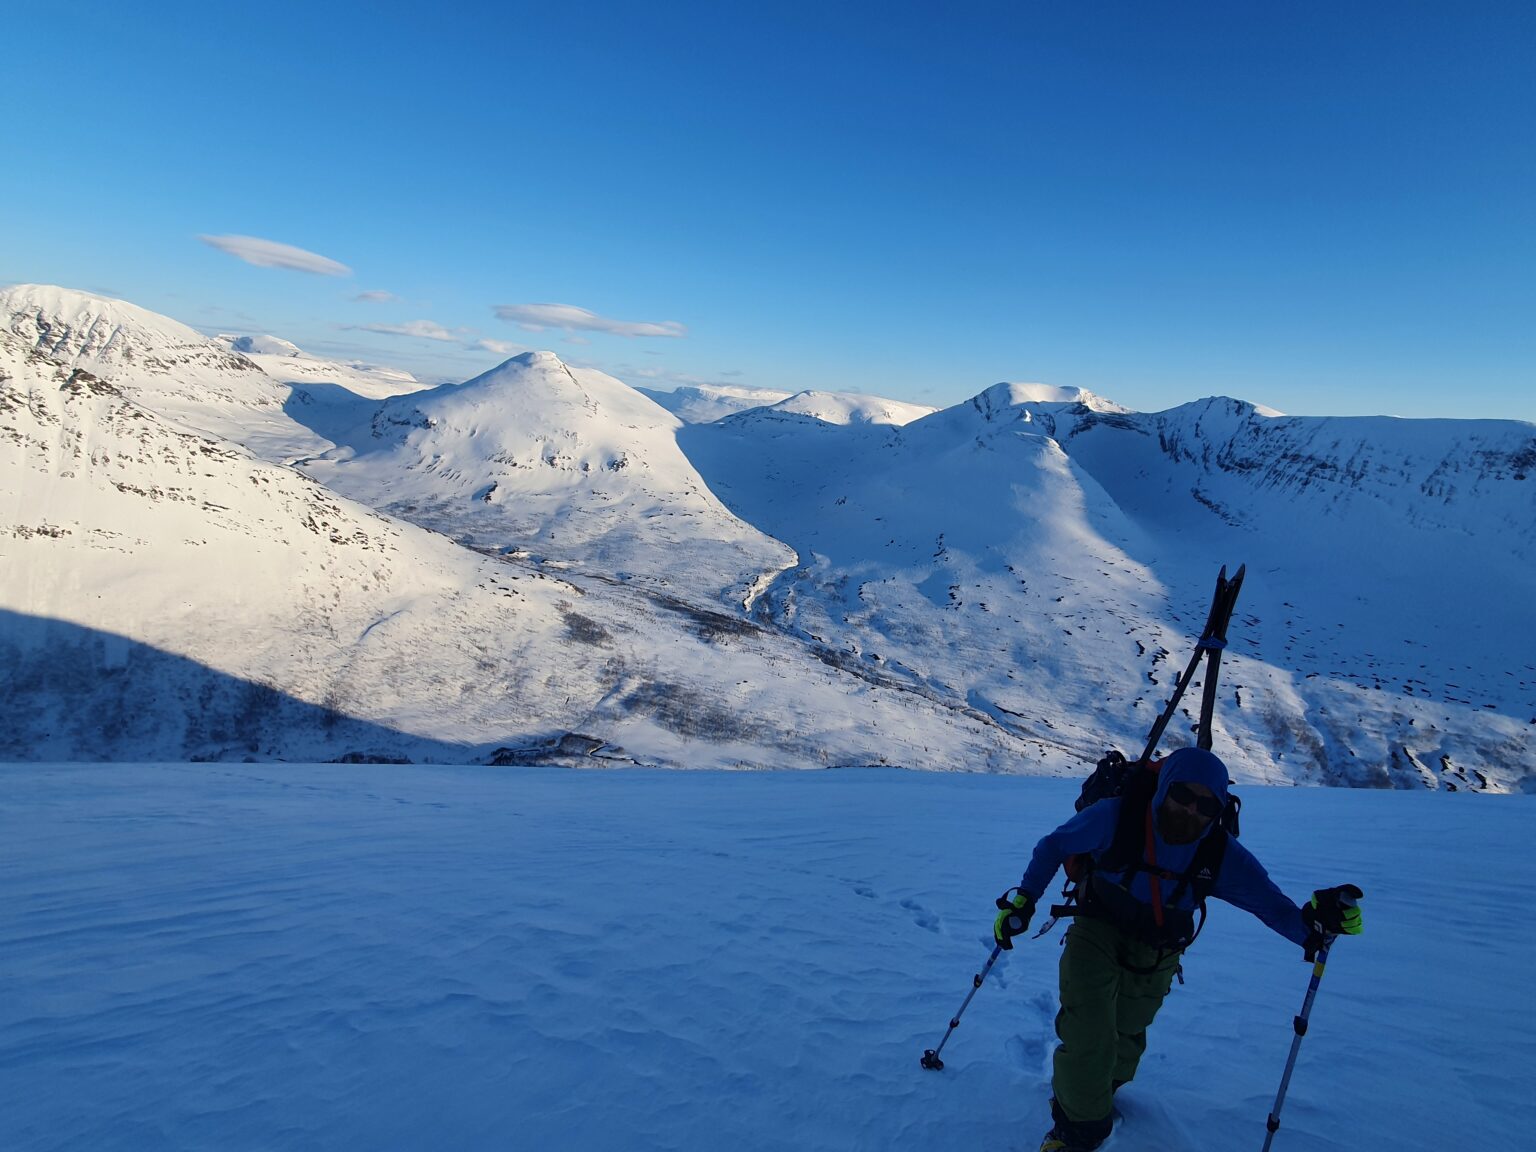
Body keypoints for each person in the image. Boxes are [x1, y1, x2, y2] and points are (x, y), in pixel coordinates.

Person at [990, 746, 1364, 1152]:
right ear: (1163, 789)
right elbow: (1054, 845)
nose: (1191, 810)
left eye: (1206, 805)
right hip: (1097, 928)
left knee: (1128, 1031)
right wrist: (1024, 899)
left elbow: (1272, 906)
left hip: (1160, 947)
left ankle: (1096, 1089)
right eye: (1182, 795)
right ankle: (1075, 1132)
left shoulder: (1221, 854)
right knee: (1089, 1031)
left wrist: (1315, 928)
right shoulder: (1115, 817)